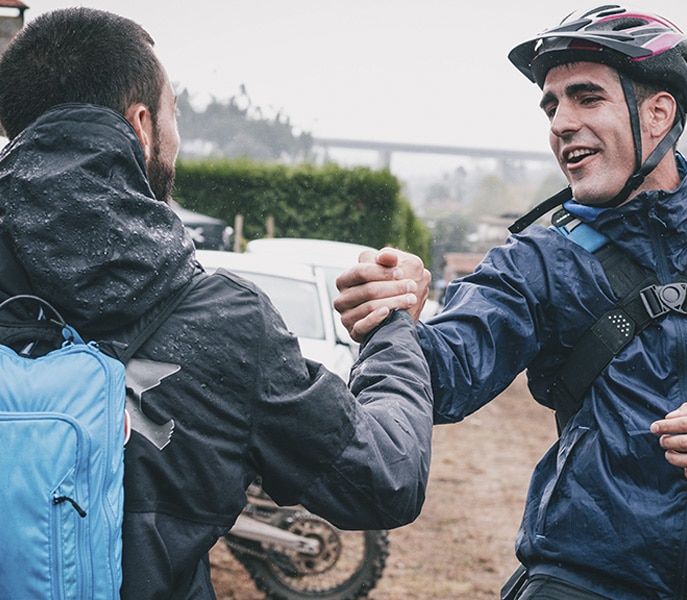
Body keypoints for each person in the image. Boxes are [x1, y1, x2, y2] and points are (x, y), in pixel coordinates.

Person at [335, 5, 687, 599]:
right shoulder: (541, 258)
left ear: (658, 113)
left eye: (586, 98)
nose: (560, 122)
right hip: (585, 577)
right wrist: (394, 315)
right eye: (551, 105)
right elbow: (443, 376)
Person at [0, 8, 433, 599]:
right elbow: (386, 478)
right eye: (175, 115)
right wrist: (394, 328)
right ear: (143, 125)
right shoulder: (224, 320)